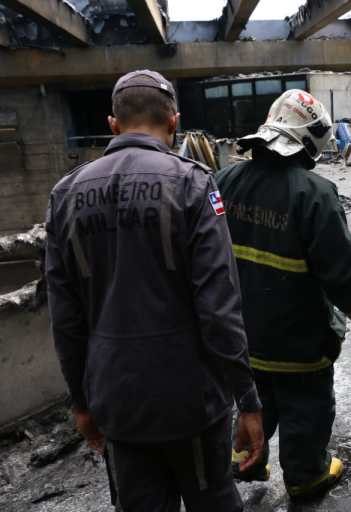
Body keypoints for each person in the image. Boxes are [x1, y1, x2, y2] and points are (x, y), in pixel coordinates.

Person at [45, 70, 264, 512]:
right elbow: (219, 308)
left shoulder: (64, 195)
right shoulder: (194, 184)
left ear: (112, 124)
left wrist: (82, 403)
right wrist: (249, 399)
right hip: (191, 402)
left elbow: (65, 318)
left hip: (117, 402)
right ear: (174, 122)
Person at [215, 89, 351, 501]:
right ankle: (307, 476)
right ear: (311, 141)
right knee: (306, 407)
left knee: (255, 396)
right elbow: (341, 272)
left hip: (241, 335)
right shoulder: (315, 193)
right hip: (300, 341)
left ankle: (245, 459)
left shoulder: (224, 181)